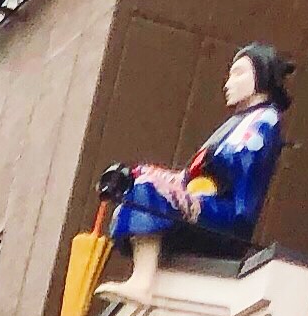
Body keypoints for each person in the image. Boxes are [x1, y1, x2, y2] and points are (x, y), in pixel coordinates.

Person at [102, 46, 290, 301]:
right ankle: (145, 275)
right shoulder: (238, 123)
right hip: (208, 200)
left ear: (262, 76)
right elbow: (187, 178)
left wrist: (205, 163)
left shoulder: (266, 119)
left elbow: (242, 158)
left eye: (238, 74)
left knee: (148, 191)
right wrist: (139, 173)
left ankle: (143, 283)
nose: (228, 84)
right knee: (139, 188)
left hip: (230, 215)